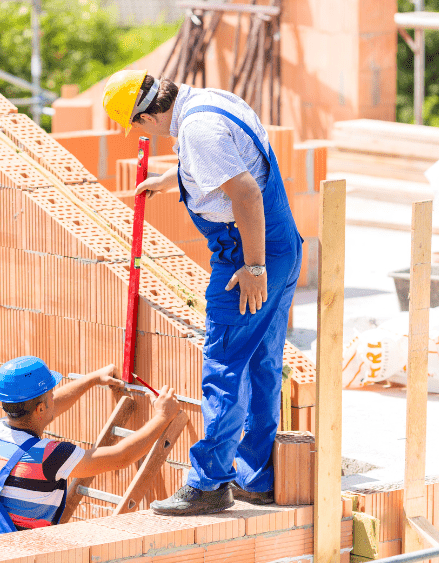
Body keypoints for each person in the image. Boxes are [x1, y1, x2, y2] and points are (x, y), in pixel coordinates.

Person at [102, 70, 303, 516]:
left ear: (145, 118)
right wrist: (175, 179)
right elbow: (236, 165)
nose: (140, 135)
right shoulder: (208, 102)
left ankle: (210, 483)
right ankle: (257, 477)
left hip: (247, 255)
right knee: (262, 362)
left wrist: (252, 268)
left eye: (136, 127)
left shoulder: (196, 130)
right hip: (282, 245)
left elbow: (246, 194)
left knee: (225, 366)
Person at [0, 355, 179, 535]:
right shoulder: (50, 456)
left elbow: (48, 409)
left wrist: (92, 379)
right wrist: (162, 416)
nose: (55, 398)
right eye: (51, 395)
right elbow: (121, 457)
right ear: (40, 409)